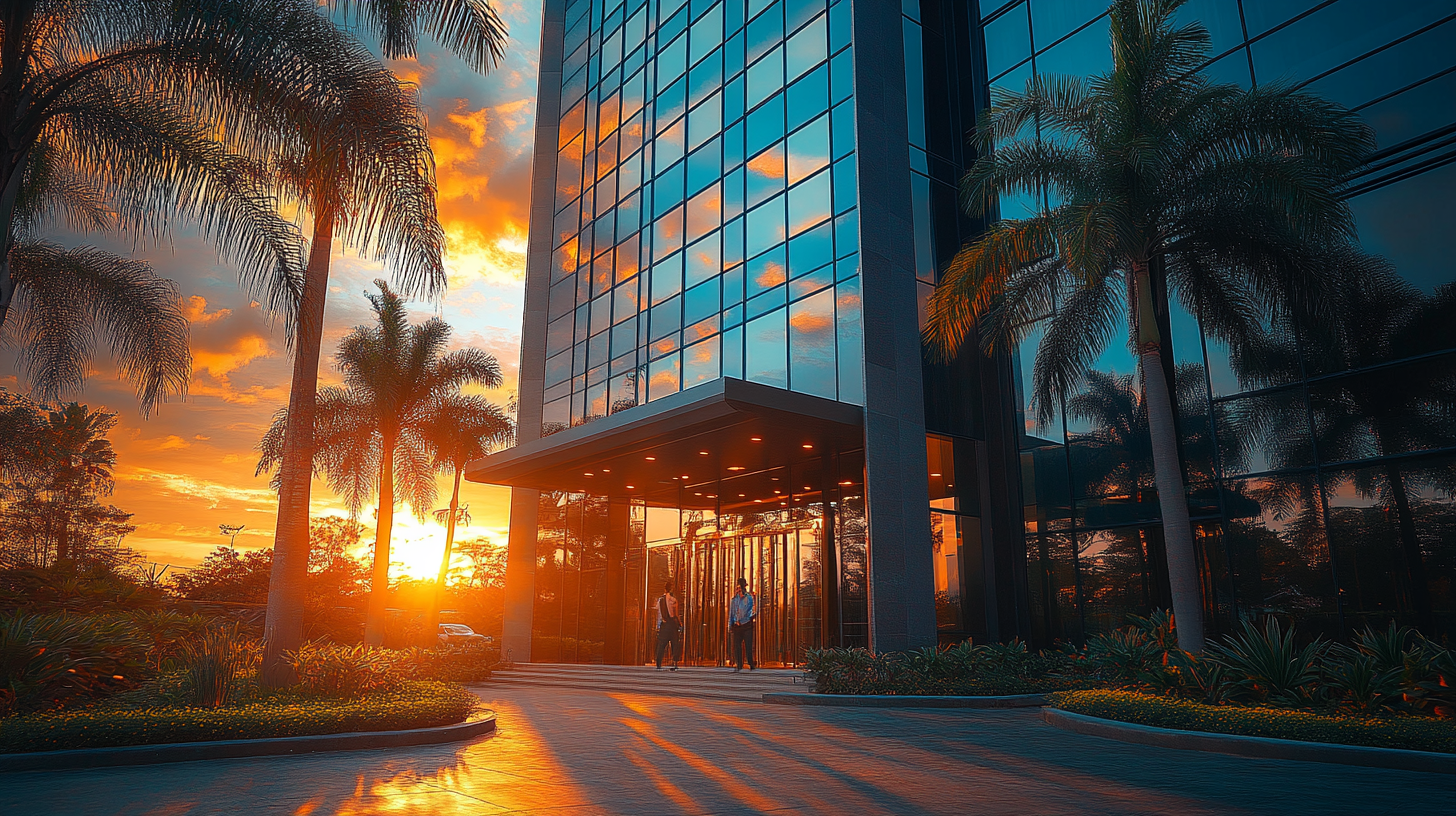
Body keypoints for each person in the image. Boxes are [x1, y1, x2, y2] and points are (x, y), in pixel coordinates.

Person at [728, 576, 757, 671]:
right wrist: (730, 625)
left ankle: (750, 664)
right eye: (737, 588)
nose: (738, 590)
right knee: (737, 646)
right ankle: (739, 665)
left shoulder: (749, 598)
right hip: (737, 626)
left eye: (739, 588)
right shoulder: (734, 600)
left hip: (746, 625)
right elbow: (731, 613)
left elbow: (752, 610)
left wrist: (746, 619)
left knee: (748, 645)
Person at [654, 581, 681, 671]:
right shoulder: (673, 600)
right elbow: (676, 614)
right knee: (675, 643)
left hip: (664, 624)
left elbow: (658, 614)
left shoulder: (660, 600)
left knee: (661, 644)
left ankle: (658, 663)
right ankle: (674, 662)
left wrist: (658, 625)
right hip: (672, 624)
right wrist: (680, 624)